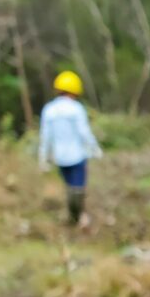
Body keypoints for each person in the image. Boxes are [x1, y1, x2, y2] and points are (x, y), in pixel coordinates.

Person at [39, 70, 102, 226]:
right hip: (77, 156)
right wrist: (95, 148)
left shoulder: (49, 109)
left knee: (69, 187)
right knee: (78, 187)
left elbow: (46, 137)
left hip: (60, 157)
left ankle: (72, 216)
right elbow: (84, 132)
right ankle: (79, 216)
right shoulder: (76, 108)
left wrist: (43, 158)